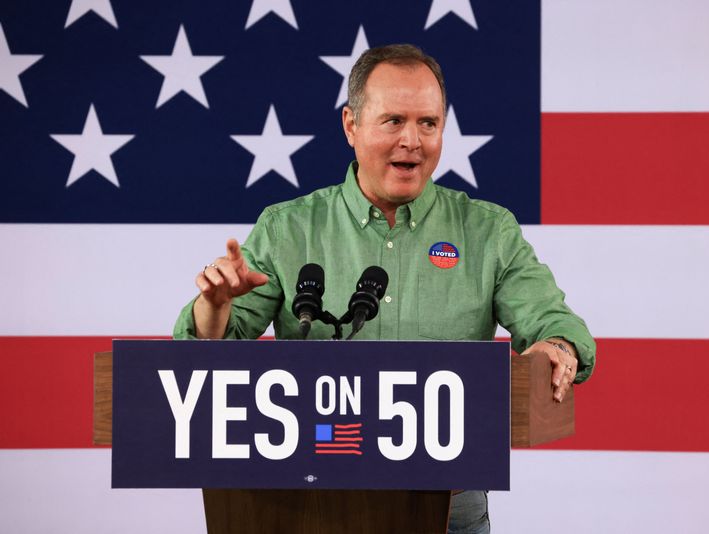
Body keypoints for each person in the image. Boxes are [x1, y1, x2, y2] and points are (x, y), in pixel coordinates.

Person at [175, 44, 595, 534]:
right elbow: (207, 355)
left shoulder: (489, 231)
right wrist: (216, 305)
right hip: (306, 500)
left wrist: (556, 347)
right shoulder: (287, 228)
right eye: (393, 121)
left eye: (428, 123)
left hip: (448, 507)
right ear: (351, 125)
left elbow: (556, 323)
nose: (412, 141)